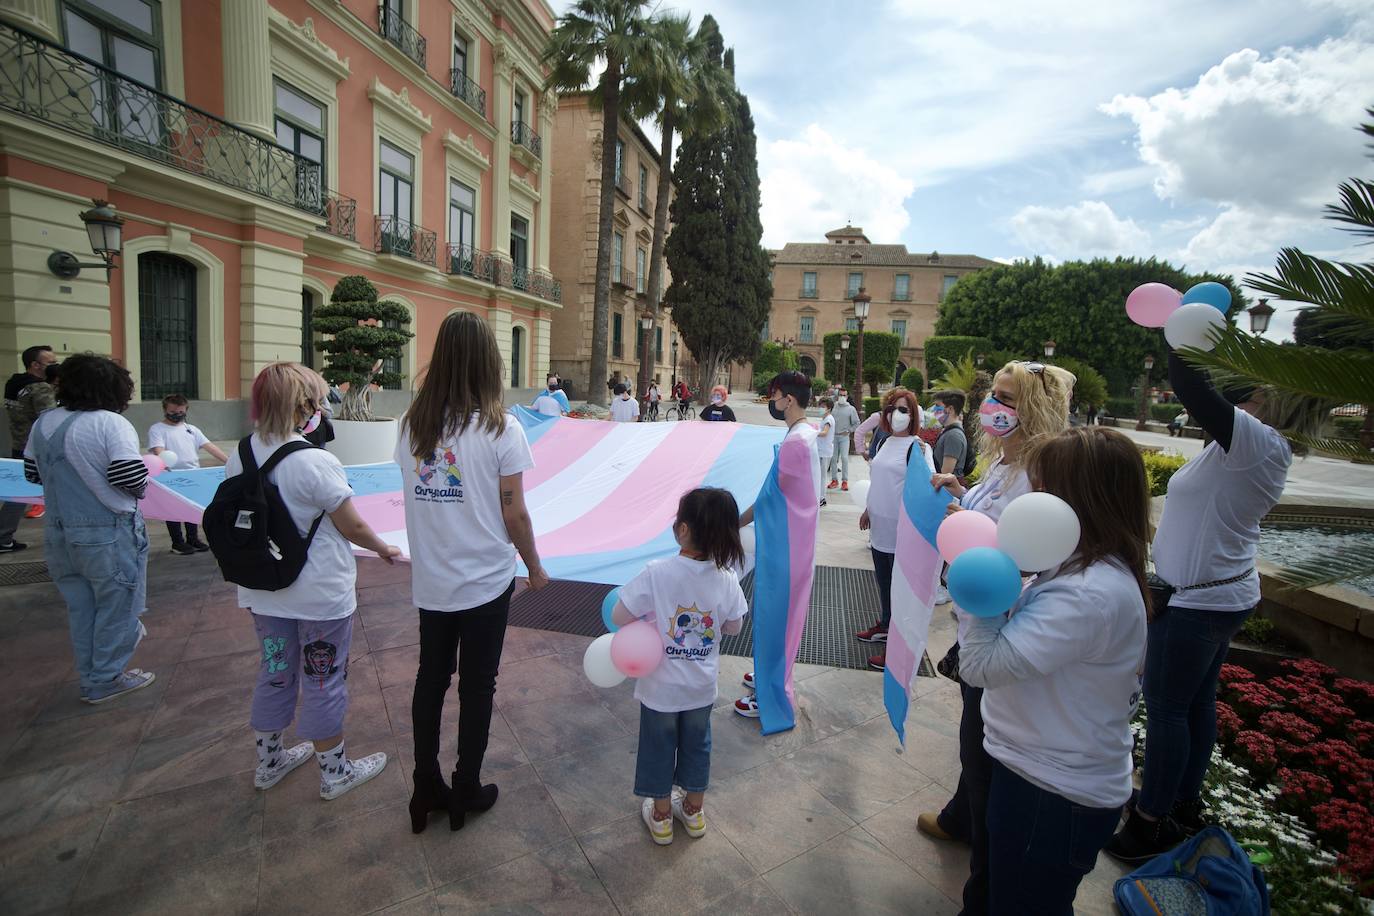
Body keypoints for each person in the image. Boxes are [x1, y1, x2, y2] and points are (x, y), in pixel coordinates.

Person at [1105, 352, 1299, 862]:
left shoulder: (1255, 442)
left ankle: (1148, 823)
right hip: (1213, 595)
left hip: (1199, 603)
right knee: (1194, 705)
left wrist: (1180, 335)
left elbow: (1193, 389)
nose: (1235, 402)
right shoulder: (1241, 450)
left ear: (1268, 404)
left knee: (1167, 708)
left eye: (1248, 395)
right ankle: (1180, 804)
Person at [958, 427, 1150, 914]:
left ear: (1078, 500)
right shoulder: (1075, 566)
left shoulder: (1087, 594)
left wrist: (981, 583)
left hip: (1052, 794)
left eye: (1043, 488)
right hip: (1036, 773)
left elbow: (979, 665)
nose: (1032, 499)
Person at [398, 311, 550, 833]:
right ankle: (465, 787)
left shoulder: (411, 424)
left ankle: (424, 787)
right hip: (485, 581)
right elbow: (515, 513)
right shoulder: (501, 428)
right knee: (477, 686)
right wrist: (534, 566)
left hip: (432, 579)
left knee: (430, 680)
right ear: (489, 361)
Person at [918, 360, 1075, 864]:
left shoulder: (1042, 472)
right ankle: (961, 818)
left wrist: (969, 523)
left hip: (1001, 625)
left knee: (979, 741)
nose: (994, 407)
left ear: (1035, 409)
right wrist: (961, 493)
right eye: (996, 395)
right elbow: (994, 515)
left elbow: (1027, 548)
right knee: (974, 731)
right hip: (975, 619)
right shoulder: (1006, 463)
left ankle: (983, 861)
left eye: (1007, 400)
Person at [227, 362, 399, 800]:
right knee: (323, 678)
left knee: (274, 672)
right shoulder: (315, 461)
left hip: (264, 590)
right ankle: (335, 770)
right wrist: (383, 547)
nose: (321, 407)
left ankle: (269, 762)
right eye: (318, 399)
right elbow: (352, 526)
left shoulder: (241, 453)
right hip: (319, 593)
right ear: (303, 405)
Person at [610, 488, 749, 844]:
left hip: (661, 688)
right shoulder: (727, 578)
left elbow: (619, 614)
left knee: (658, 745)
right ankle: (693, 812)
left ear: (682, 529)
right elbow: (734, 627)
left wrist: (650, 618)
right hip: (701, 688)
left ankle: (660, 817)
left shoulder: (657, 573)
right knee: (697, 745)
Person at [24, 353, 153, 703]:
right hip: (107, 531)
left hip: (59, 529)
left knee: (81, 607)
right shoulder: (110, 424)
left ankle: (91, 674)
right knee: (117, 605)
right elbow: (128, 477)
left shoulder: (45, 422)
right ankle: (106, 677)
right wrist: (146, 479)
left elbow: (32, 473)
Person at [734, 371, 821, 727]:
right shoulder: (805, 434)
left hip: (785, 547)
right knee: (779, 619)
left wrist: (737, 521)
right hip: (795, 546)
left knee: (774, 620)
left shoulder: (796, 442)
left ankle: (771, 697)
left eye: (775, 396)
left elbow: (772, 499)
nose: (773, 402)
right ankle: (771, 674)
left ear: (787, 398)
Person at [855, 389, 934, 671]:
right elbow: (879, 480)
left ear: (913, 415)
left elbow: (927, 491)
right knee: (885, 586)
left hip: (901, 533)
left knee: (898, 592)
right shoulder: (887, 442)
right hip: (880, 529)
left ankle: (895, 651)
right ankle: (885, 625)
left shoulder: (918, 448)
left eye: (903, 410)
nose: (895, 414)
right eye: (891, 408)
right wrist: (868, 509)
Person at [147, 394, 228, 555]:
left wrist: (230, 461)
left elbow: (209, 446)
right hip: (170, 475)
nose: (177, 415)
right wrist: (165, 462)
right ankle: (177, 542)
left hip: (193, 474)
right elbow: (158, 449)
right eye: (173, 411)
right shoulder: (157, 429)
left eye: (180, 411)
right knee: (173, 509)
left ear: (186, 410)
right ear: (165, 410)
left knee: (191, 506)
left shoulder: (191, 429)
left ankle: (193, 538)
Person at [3, 344, 59, 548]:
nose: (55, 366)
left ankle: (3, 537)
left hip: (19, 443)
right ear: (35, 365)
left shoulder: (14, 383)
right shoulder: (40, 388)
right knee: (20, 492)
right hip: (37, 449)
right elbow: (50, 419)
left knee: (17, 490)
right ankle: (3, 536)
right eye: (51, 362)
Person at [827, 390, 860, 491]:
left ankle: (844, 481)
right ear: (837, 396)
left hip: (844, 437)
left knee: (845, 458)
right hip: (833, 437)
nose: (842, 397)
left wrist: (849, 430)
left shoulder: (851, 409)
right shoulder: (833, 407)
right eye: (840, 395)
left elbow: (857, 423)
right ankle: (834, 480)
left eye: (844, 395)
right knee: (833, 459)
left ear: (847, 396)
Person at [815, 398, 835, 505]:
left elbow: (824, 433)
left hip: (825, 452)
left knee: (822, 476)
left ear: (829, 408)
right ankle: (820, 497)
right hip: (822, 450)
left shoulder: (829, 419)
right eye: (820, 406)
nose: (821, 408)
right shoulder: (825, 418)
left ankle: (822, 498)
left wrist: (813, 433)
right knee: (820, 475)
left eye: (823, 407)